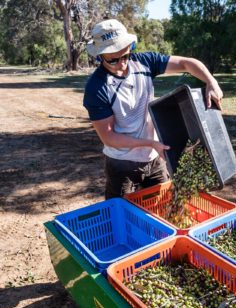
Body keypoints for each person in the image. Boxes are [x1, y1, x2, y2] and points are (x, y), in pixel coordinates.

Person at [83, 19, 223, 199]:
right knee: (122, 216)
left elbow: (187, 63)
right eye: (113, 60)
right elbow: (109, 138)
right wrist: (150, 144)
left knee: (162, 210)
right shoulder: (97, 88)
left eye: (125, 55)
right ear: (99, 56)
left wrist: (211, 82)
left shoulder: (145, 63)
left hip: (154, 159)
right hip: (122, 163)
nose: (122, 64)